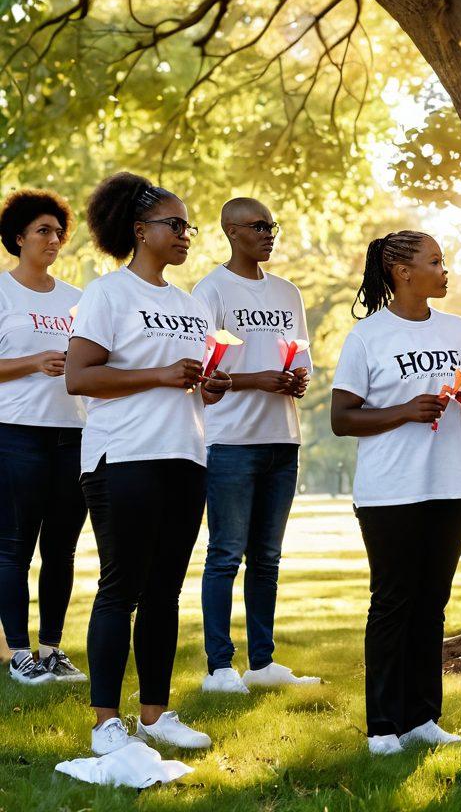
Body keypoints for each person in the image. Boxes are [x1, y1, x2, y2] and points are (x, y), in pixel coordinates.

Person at [65, 172, 231, 756]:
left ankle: (155, 716)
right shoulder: (107, 294)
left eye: (188, 226)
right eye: (175, 224)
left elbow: (185, 382)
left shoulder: (189, 305)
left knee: (164, 592)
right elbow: (79, 377)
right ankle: (106, 721)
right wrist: (161, 375)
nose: (186, 234)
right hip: (123, 457)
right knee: (121, 588)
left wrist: (207, 386)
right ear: (141, 230)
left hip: (185, 455)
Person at [331, 231, 461, 756]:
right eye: (436, 261)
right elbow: (342, 418)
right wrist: (404, 410)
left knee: (432, 605)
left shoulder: (459, 329)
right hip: (389, 490)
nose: (446, 271)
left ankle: (422, 717)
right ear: (402, 271)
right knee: (393, 602)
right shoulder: (368, 337)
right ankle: (382, 726)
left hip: (451, 485)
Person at [194, 198, 319, 694]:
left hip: (282, 439)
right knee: (225, 554)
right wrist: (257, 380)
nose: (270, 233)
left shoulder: (288, 293)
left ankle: (262, 663)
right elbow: (203, 373)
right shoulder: (211, 289)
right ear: (231, 231)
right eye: (259, 226)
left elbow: (298, 357)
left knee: (267, 557)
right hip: (230, 441)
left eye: (273, 225)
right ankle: (220, 667)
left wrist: (294, 380)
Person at [0, 189, 87, 685]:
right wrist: (34, 362)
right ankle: (18, 653)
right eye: (42, 231)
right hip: (15, 435)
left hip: (73, 434)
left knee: (62, 549)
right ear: (18, 238)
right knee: (14, 547)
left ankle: (52, 649)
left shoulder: (78, 299)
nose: (54, 239)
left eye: (58, 231)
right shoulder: (3, 293)